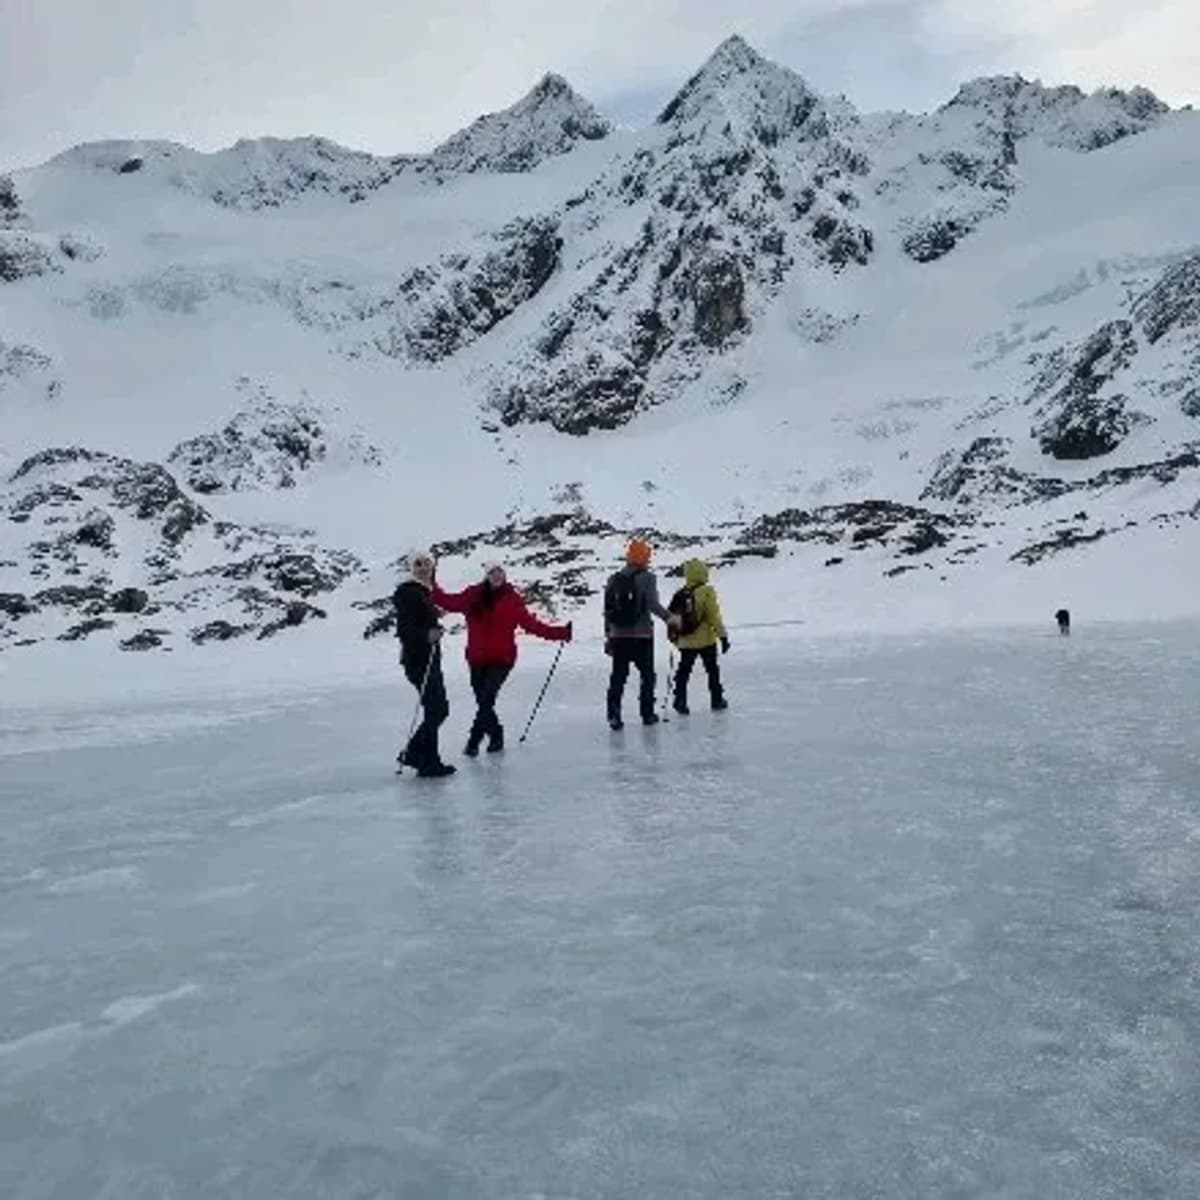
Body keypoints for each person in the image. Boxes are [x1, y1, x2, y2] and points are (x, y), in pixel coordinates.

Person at [433, 562, 572, 756]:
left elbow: (532, 625)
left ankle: (473, 741)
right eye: (492, 572)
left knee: (487, 699)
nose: (497, 575)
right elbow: (449, 602)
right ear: (486, 576)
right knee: (483, 700)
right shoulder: (472, 595)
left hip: (502, 658)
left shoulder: (512, 599)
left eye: (500, 571)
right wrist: (431, 582)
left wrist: (560, 633)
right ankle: (496, 733)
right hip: (476, 658)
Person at [604, 538, 679, 730]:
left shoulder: (613, 579)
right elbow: (652, 605)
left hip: (618, 636)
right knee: (647, 675)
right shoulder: (647, 577)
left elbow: (608, 610)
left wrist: (609, 636)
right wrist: (670, 618)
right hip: (642, 635)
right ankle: (647, 714)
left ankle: (614, 715)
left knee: (618, 676)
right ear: (645, 557)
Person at [393, 550, 455, 778]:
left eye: (427, 563)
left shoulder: (421, 592)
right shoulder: (409, 592)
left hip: (426, 659)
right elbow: (404, 629)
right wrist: (427, 634)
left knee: (436, 709)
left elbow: (417, 619)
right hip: (419, 660)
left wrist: (434, 616)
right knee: (438, 709)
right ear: (411, 568)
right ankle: (421, 757)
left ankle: (422, 757)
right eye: (418, 564)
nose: (424, 567)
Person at [670, 558, 730, 714]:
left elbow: (673, 619)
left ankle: (680, 700)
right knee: (712, 670)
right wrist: (722, 637)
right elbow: (713, 616)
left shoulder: (681, 593)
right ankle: (717, 699)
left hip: (686, 642)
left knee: (683, 672)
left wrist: (676, 639)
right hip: (706, 641)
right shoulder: (706, 591)